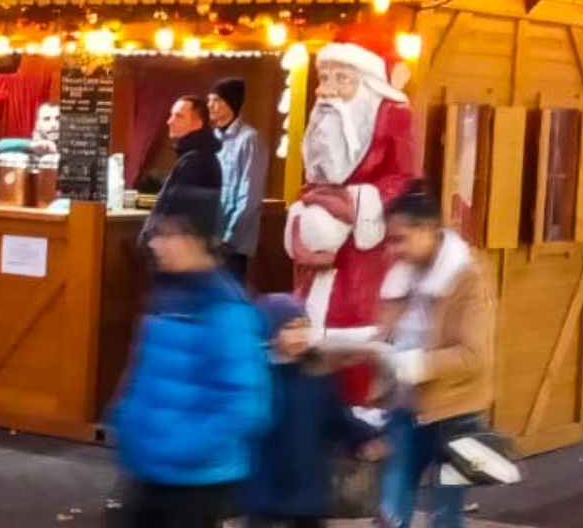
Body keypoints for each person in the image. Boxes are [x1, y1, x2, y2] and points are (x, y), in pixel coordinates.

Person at [110, 186, 270, 528]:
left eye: (168, 234)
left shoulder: (227, 310)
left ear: (197, 239)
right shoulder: (164, 294)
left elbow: (246, 405)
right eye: (157, 233)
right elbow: (144, 371)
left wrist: (184, 446)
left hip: (197, 479)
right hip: (150, 465)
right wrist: (128, 420)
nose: (155, 244)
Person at [283, 39, 418, 398]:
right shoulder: (325, 114)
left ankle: (357, 407)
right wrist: (307, 208)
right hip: (321, 249)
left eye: (340, 79)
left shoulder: (392, 115)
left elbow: (403, 177)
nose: (326, 90)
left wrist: (360, 204)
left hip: (364, 249)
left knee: (355, 326)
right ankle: (318, 405)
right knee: (312, 326)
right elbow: (318, 175)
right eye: (323, 77)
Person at [368, 181, 494, 528]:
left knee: (446, 515)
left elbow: (473, 356)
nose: (392, 250)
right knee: (391, 508)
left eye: (399, 238)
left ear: (427, 230)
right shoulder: (400, 278)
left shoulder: (467, 278)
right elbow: (385, 340)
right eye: (389, 240)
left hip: (455, 412)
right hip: (404, 411)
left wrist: (414, 364)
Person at [241, 293, 382, 528]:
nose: (300, 335)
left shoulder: (318, 374)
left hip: (308, 492)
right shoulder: (254, 376)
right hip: (265, 490)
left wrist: (365, 439)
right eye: (290, 327)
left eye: (304, 326)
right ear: (270, 331)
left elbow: (336, 420)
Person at [209, 78, 269, 283]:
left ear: (231, 103)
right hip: (210, 236)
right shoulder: (213, 139)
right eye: (210, 100)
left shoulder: (249, 139)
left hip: (232, 242)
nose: (211, 106)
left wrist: (229, 236)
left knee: (229, 296)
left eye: (216, 100)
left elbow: (250, 193)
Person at [142, 96, 222, 246]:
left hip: (182, 252)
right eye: (171, 115)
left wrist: (151, 238)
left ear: (197, 124)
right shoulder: (197, 156)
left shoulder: (196, 161)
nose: (169, 121)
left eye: (178, 116)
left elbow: (179, 213)